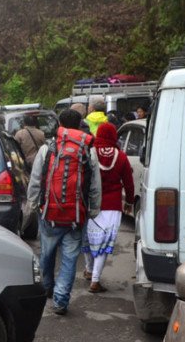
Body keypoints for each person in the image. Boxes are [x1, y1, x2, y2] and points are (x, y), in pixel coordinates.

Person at [27, 108, 101, 316]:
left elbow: (35, 180)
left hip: (49, 214)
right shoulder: (88, 150)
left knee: (47, 255)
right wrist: (94, 208)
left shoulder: (47, 148)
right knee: (69, 260)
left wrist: (32, 204)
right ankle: (60, 301)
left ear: (59, 124)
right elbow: (95, 184)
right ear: (79, 126)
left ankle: (48, 288)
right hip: (76, 216)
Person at [81, 122, 134, 293]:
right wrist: (130, 202)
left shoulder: (89, 153)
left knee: (89, 239)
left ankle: (89, 270)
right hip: (112, 205)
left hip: (91, 203)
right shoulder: (121, 156)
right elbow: (129, 183)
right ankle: (95, 280)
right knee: (103, 243)